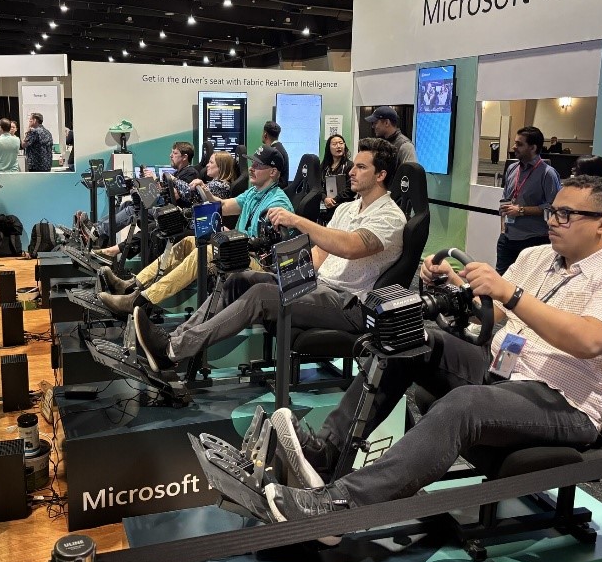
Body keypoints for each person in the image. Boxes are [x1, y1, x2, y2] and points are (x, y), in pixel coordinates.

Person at [262, 175, 602, 525]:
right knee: (411, 337)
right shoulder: (537, 256)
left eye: (566, 215)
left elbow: (589, 340)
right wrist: (453, 282)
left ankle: (343, 505)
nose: (553, 221)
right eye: (552, 212)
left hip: (566, 402)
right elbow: (496, 312)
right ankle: (327, 451)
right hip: (502, 369)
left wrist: (511, 293)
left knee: (465, 404)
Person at [132, 137, 406, 375]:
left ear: (380, 175)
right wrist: (284, 275)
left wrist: (297, 221)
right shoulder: (347, 209)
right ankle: (174, 338)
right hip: (318, 286)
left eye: (361, 167)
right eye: (354, 165)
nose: (352, 171)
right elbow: (320, 253)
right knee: (238, 280)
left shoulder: (390, 216)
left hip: (349, 304)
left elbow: (350, 246)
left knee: (261, 294)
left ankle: (171, 350)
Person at [98, 152, 260, 314]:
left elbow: (262, 245)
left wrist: (234, 236)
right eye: (252, 164)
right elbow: (222, 205)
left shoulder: (272, 201)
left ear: (272, 171)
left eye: (258, 165)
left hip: (252, 258)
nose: (251, 168)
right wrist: (206, 191)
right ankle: (132, 285)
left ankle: (140, 300)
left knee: (203, 251)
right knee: (187, 241)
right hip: (237, 246)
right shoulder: (252, 193)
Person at [94, 141, 198, 242]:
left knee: (134, 209)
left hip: (174, 215)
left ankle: (98, 232)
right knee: (127, 204)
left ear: (184, 157)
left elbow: (175, 195)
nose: (171, 155)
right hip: (165, 208)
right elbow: (163, 191)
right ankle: (96, 226)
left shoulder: (190, 173)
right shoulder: (176, 173)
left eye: (175, 153)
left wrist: (155, 180)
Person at [496, 126, 561, 275]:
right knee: (500, 280)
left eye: (519, 144)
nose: (514, 147)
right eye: (515, 143)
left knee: (527, 283)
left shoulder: (548, 174)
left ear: (533, 147)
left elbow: (554, 208)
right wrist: (503, 230)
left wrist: (521, 211)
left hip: (533, 240)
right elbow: (505, 199)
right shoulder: (512, 168)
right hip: (507, 238)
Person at [320, 134, 354, 221]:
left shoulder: (349, 166)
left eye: (341, 143)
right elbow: (319, 186)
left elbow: (351, 189)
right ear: (329, 148)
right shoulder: (324, 167)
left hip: (344, 207)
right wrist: (325, 198)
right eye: (334, 144)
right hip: (326, 207)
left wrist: (334, 200)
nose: (338, 146)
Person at [262, 121, 289, 189]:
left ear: (265, 135)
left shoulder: (273, 152)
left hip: (274, 191)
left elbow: (270, 178)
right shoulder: (279, 148)